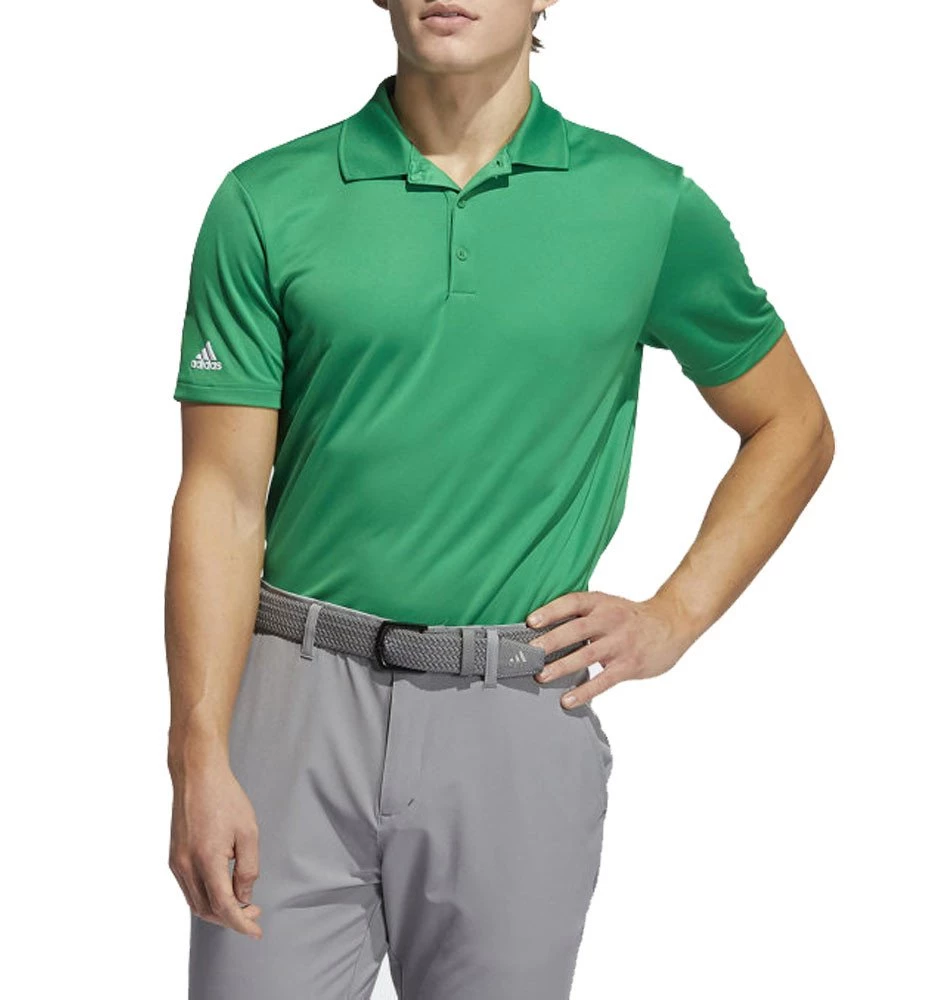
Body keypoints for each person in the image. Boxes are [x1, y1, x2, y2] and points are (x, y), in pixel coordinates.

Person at [165, 1, 834, 997]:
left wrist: (675, 615)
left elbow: (792, 425)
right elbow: (221, 495)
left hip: (518, 709)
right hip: (294, 706)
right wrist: (197, 752)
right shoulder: (267, 200)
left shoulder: (646, 207)